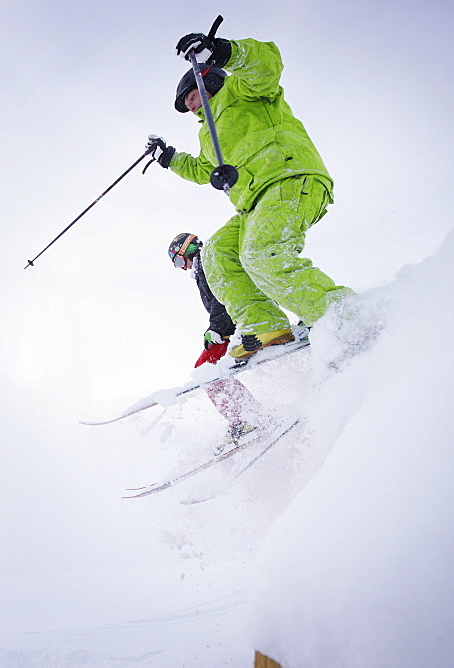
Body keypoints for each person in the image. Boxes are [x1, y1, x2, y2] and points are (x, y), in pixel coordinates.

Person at [148, 33, 352, 365]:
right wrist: (168, 157)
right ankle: (265, 324)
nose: (190, 107)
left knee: (260, 252)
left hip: (289, 178)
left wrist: (224, 52)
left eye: (191, 98)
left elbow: (266, 66)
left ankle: (339, 314)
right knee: (216, 252)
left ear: (209, 81)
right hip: (254, 203)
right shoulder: (207, 134)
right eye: (186, 105)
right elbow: (202, 168)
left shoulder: (241, 90)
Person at [169, 232, 270, 445]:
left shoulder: (206, 263)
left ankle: (246, 418)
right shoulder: (202, 267)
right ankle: (247, 416)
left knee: (206, 369)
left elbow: (221, 296)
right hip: (230, 322)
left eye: (178, 260)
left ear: (188, 250)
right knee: (206, 370)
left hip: (233, 322)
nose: (181, 268)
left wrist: (217, 328)